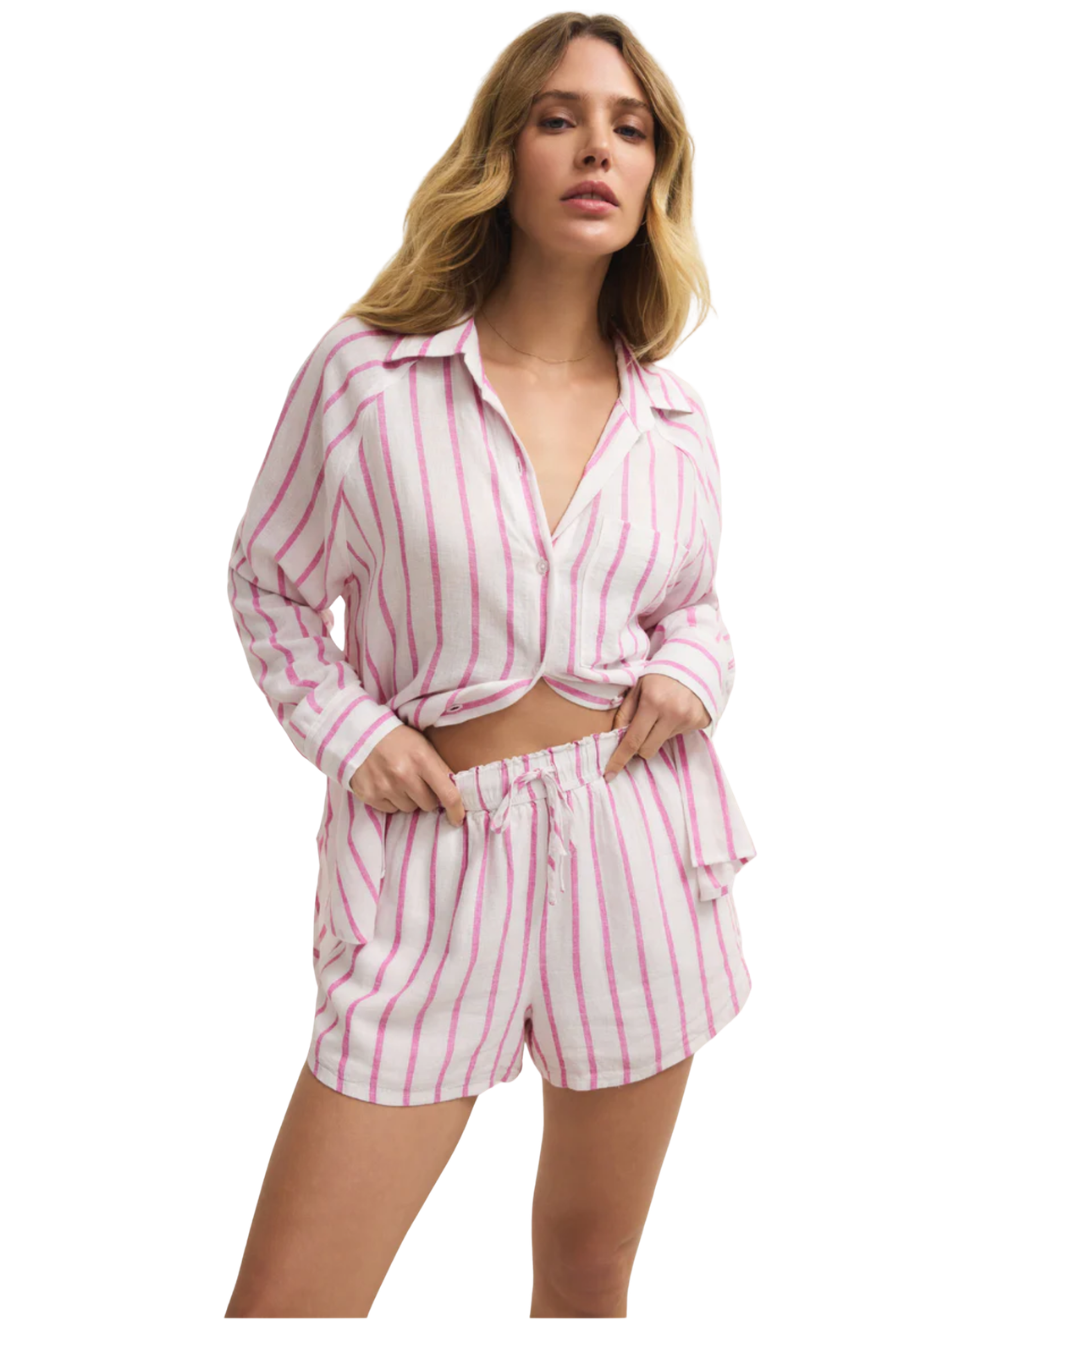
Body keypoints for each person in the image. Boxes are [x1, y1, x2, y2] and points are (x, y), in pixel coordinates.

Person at [224, 12, 757, 1319]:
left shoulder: (673, 418)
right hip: (433, 857)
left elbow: (690, 606)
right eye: (559, 118)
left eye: (632, 129)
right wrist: (354, 735)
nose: (598, 150)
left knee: (588, 1273)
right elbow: (269, 583)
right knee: (289, 1306)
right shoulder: (370, 375)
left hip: (637, 848)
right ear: (502, 153)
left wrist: (693, 669)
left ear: (657, 176)